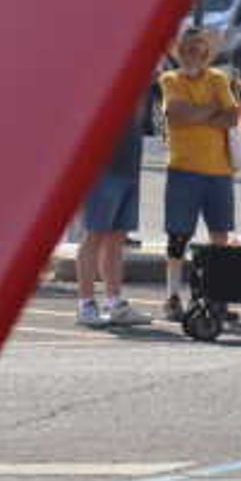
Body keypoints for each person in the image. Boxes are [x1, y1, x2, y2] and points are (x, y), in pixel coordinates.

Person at [155, 25, 241, 320]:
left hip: (218, 171)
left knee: (220, 236)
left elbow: (232, 115)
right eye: (187, 50)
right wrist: (210, 112)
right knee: (178, 237)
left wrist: (197, 114)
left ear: (206, 53)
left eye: (198, 49)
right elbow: (177, 113)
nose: (193, 54)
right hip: (183, 170)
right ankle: (172, 297)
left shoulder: (218, 78)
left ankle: (215, 296)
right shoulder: (170, 79)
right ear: (179, 53)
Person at [73, 71, 150, 326]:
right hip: (101, 170)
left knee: (116, 238)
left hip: (129, 166)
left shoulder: (137, 78)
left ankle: (114, 303)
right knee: (94, 235)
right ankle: (85, 305)